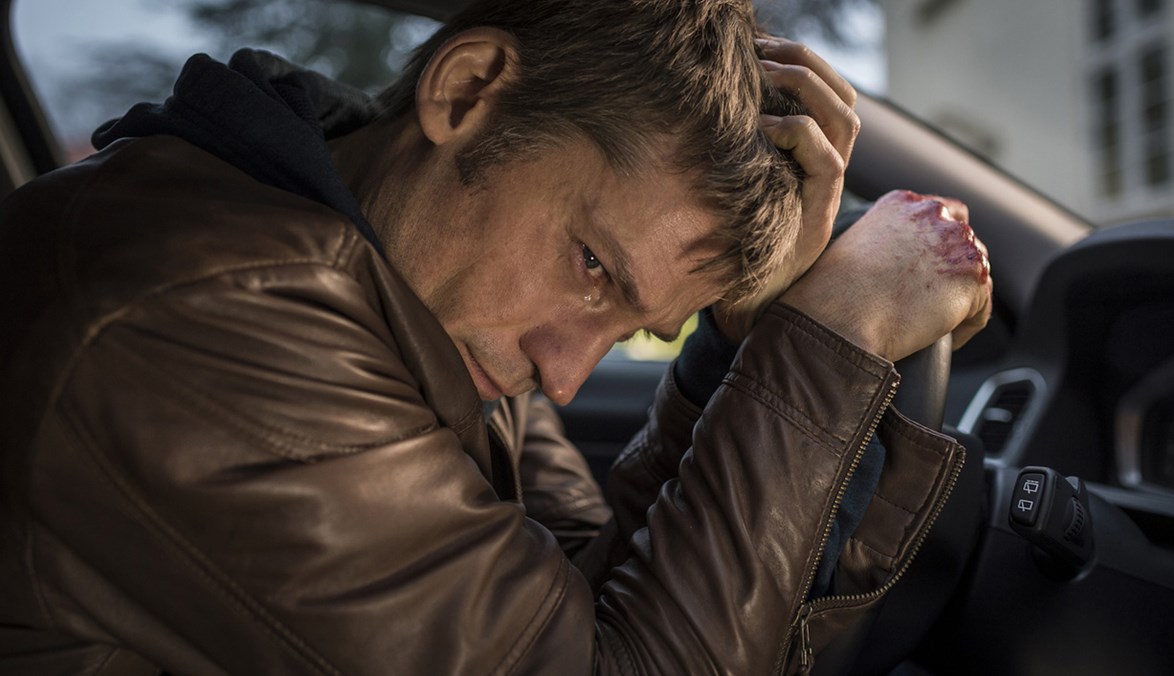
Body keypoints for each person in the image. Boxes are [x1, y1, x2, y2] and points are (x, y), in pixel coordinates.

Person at [0, 0, 991, 673]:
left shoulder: (409, 296)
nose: (563, 375)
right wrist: (831, 335)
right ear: (468, 91)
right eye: (592, 265)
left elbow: (586, 601)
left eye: (635, 329)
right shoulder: (210, 315)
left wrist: (747, 346)